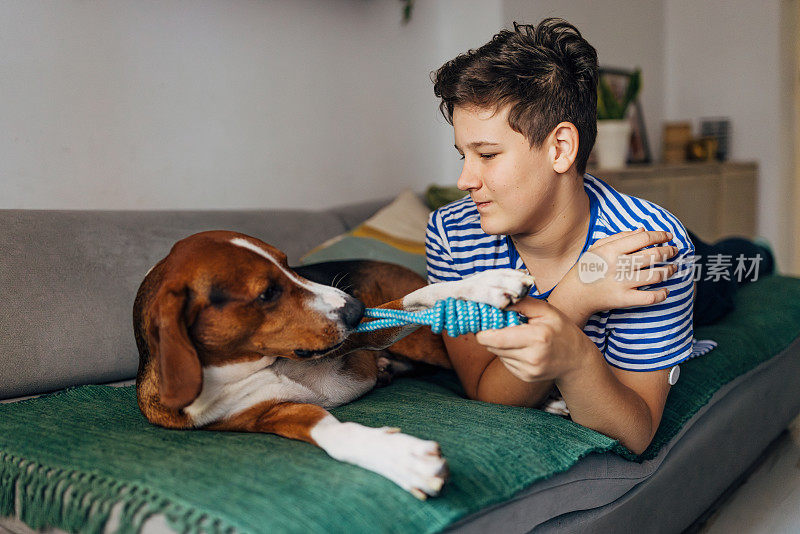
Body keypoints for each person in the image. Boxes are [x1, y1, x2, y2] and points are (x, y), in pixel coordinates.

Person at [424, 18, 770, 455]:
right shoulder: (451, 234)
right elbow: (487, 392)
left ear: (561, 149)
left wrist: (572, 355)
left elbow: (635, 433)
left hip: (682, 263)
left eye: (487, 155)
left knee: (728, 268)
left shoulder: (655, 250)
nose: (464, 179)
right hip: (599, 242)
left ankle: (754, 253)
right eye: (463, 155)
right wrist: (573, 301)